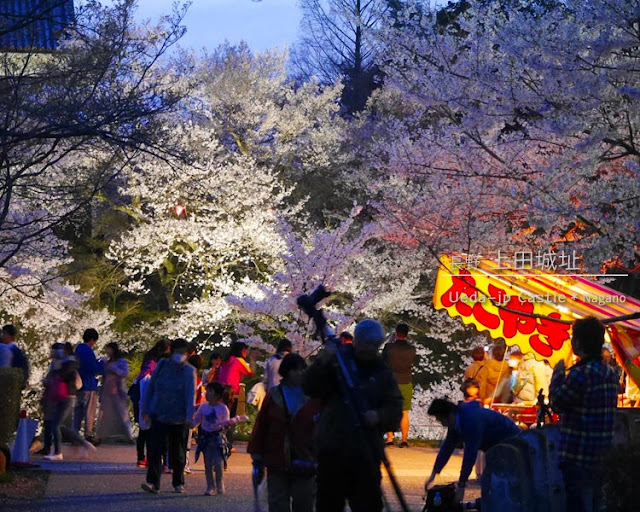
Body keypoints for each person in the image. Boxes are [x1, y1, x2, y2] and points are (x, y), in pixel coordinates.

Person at [303, 319, 403, 512]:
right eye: (367, 344)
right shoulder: (337, 362)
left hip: (366, 451)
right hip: (333, 448)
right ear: (357, 341)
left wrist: (379, 415)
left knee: (368, 504)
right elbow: (310, 387)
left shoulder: (382, 371)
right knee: (328, 504)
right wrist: (322, 361)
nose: (370, 349)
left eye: (374, 345)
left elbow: (394, 405)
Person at [549, 317, 618, 512]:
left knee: (576, 504)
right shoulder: (610, 372)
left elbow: (556, 404)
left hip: (577, 455)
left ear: (579, 342)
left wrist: (557, 375)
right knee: (596, 503)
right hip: (602, 453)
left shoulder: (581, 373)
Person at [249, 353, 321, 512]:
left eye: (302, 369)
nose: (300, 373)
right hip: (277, 457)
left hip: (305, 457)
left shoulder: (313, 397)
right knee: (277, 503)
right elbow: (262, 424)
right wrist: (257, 455)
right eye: (296, 370)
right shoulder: (274, 394)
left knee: (304, 502)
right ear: (287, 371)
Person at [425, 398, 520, 502]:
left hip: (511, 443)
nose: (442, 424)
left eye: (440, 419)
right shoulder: (458, 419)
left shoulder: (471, 420)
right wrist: (434, 473)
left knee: (501, 482)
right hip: (497, 447)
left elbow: (470, 455)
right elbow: (447, 447)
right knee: (493, 481)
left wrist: (461, 485)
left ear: (448, 415)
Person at [141, 338, 196, 494]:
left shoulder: (189, 371)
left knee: (178, 452)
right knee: (155, 450)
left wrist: (189, 416)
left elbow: (190, 394)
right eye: (178, 352)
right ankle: (153, 482)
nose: (180, 355)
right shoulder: (162, 366)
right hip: (159, 413)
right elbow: (151, 388)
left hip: (179, 417)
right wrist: (145, 409)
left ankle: (178, 482)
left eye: (183, 353)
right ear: (172, 352)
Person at [41, 343, 96, 460]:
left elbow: (63, 377)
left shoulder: (68, 363)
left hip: (67, 396)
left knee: (57, 425)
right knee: (60, 426)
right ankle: (83, 445)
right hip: (63, 396)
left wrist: (56, 370)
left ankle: (58, 452)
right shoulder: (67, 363)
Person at [130, 339, 170, 467]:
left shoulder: (150, 359)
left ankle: (143, 457)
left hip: (140, 397)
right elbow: (144, 377)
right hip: (144, 397)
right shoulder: (151, 364)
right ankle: (144, 457)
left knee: (145, 430)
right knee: (147, 429)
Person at [192, 382, 230, 496]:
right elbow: (197, 419)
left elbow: (226, 423)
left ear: (218, 395)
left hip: (217, 437)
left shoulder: (223, 408)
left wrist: (225, 426)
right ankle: (210, 486)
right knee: (207, 464)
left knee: (218, 464)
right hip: (205, 437)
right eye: (207, 391)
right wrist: (191, 424)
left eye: (210, 392)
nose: (207, 394)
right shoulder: (203, 407)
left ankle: (219, 483)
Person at [217, 341, 257, 450]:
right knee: (230, 420)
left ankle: (219, 442)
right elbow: (251, 372)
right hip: (231, 394)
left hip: (220, 393)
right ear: (241, 350)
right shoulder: (239, 361)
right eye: (245, 350)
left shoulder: (226, 360)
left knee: (221, 418)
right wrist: (252, 359)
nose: (246, 352)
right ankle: (227, 445)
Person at [383, 322, 417, 447]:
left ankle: (390, 439)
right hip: (406, 381)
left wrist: (390, 342)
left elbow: (383, 361)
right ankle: (404, 440)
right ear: (407, 335)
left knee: (389, 410)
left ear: (396, 333)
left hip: (391, 382)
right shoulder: (412, 349)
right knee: (404, 412)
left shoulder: (389, 348)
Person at [96, 342, 133, 443]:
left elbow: (125, 373)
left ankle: (129, 436)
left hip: (117, 391)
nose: (107, 351)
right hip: (107, 391)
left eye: (109, 349)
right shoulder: (107, 361)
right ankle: (99, 436)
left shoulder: (121, 361)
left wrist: (114, 369)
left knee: (122, 413)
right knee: (103, 415)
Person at [74, 328, 104, 444]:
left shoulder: (78, 350)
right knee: (89, 412)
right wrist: (102, 363)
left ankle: (74, 434)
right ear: (92, 340)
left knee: (78, 412)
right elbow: (93, 369)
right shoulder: (88, 351)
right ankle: (88, 435)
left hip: (78, 385)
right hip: (89, 385)